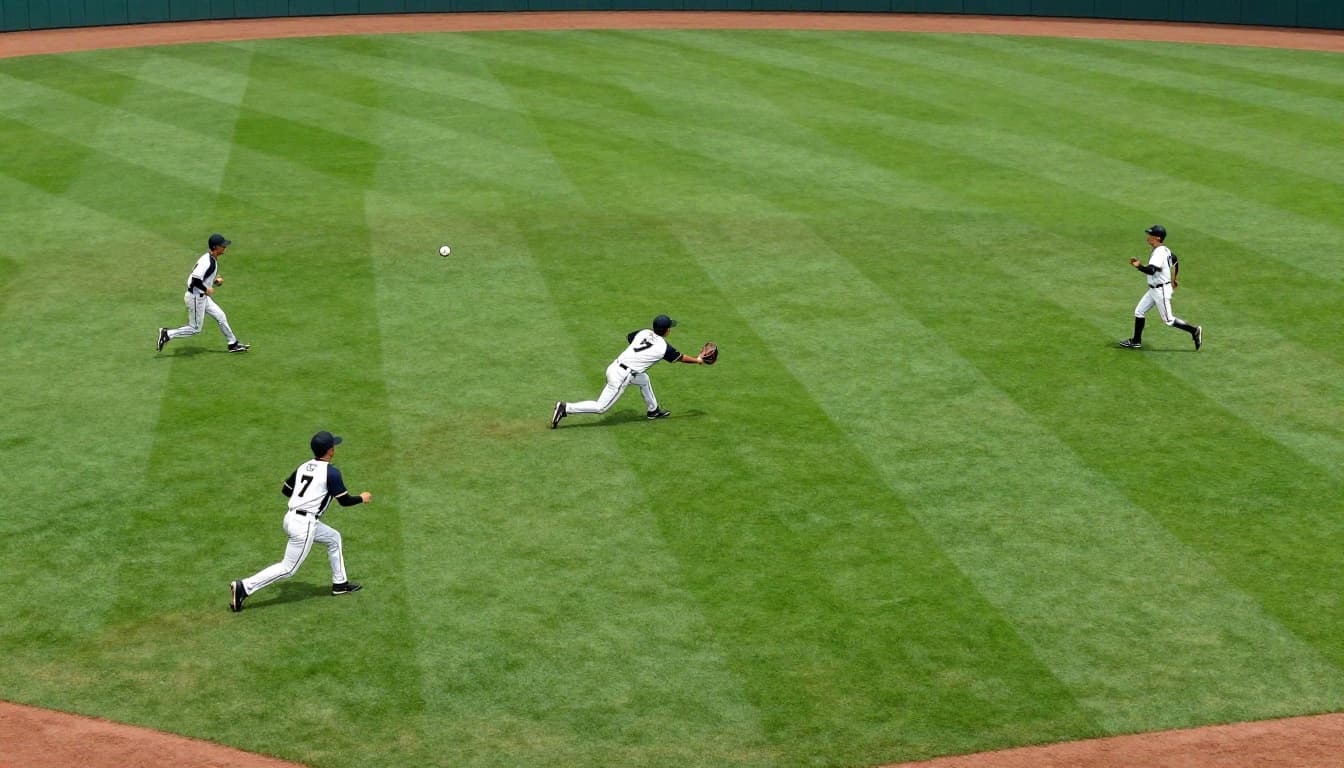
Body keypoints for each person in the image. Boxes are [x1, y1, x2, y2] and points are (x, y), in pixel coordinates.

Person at [229, 431, 371, 612]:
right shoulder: (332, 472)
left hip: (290, 518)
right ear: (331, 451)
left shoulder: (304, 466)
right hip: (304, 525)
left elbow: (286, 490)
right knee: (288, 568)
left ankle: (340, 584)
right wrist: (362, 498)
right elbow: (344, 501)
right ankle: (244, 587)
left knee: (334, 538)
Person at [552, 314, 708, 429]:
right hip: (622, 377)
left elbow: (630, 338)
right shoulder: (663, 347)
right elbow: (680, 358)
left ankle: (653, 410)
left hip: (615, 366)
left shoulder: (644, 332)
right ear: (667, 331)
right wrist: (698, 360)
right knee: (601, 408)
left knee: (644, 379)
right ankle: (566, 408)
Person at [157, 233, 249, 353]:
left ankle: (233, 344)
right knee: (195, 328)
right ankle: (167, 333)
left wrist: (214, 282)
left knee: (220, 316)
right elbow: (195, 280)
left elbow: (203, 280)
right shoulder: (208, 262)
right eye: (223, 245)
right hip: (195, 298)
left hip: (202, 297)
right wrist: (206, 289)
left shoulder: (211, 259)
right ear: (216, 247)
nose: (225, 247)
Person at [1119, 225, 1202, 351]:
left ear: (1157, 238)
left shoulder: (1159, 252)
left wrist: (1138, 266)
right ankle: (1136, 341)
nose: (1148, 237)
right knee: (1139, 311)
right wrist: (1174, 279)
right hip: (1154, 289)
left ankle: (1194, 330)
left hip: (1160, 291)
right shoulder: (1165, 250)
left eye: (1150, 235)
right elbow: (1175, 261)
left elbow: (1152, 270)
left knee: (1168, 320)